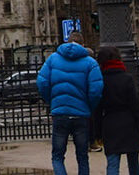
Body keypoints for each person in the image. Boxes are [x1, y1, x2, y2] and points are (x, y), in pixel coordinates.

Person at [38, 31, 103, 175]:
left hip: (60, 113)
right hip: (81, 114)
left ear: (67, 42)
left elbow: (42, 82)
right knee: (82, 156)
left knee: (57, 156)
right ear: (83, 45)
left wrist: (52, 101)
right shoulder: (90, 63)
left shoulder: (53, 59)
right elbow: (96, 90)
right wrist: (89, 106)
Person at [96, 46, 139, 175]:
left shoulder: (101, 81)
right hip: (129, 123)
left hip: (110, 123)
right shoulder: (127, 79)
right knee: (133, 162)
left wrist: (98, 133)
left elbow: (98, 110)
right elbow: (136, 107)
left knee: (112, 163)